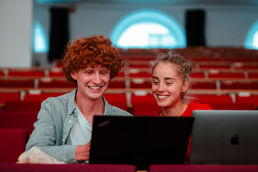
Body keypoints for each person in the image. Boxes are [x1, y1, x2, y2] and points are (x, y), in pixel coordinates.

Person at [26, 35, 133, 163]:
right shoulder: (53, 108)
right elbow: (33, 151)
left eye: (103, 72)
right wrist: (76, 152)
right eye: (89, 72)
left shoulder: (125, 119)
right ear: (73, 73)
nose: (97, 80)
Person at [151, 51, 212, 161]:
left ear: (184, 85)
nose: (159, 89)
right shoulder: (151, 125)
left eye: (168, 83)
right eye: (155, 82)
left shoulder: (202, 113)